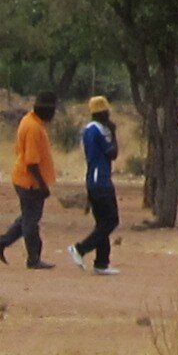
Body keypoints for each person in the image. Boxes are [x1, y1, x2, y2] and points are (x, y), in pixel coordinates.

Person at [0, 93, 54, 267]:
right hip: (29, 182)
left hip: (25, 178)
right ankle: (33, 259)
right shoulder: (33, 127)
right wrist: (43, 186)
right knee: (31, 221)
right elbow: (32, 163)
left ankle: (1, 242)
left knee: (28, 217)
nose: (53, 114)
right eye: (51, 110)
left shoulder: (29, 120)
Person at [67, 95, 121, 274]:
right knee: (111, 220)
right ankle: (80, 249)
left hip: (98, 179)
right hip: (100, 182)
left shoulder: (92, 129)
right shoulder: (95, 131)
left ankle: (101, 263)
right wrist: (113, 134)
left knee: (102, 223)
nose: (109, 115)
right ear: (101, 113)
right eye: (106, 112)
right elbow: (112, 153)